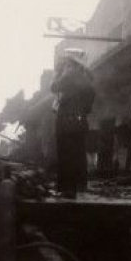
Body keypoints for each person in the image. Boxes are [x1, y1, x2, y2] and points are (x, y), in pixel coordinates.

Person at [51, 49, 95, 198]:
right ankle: (80, 186)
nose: (65, 65)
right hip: (80, 122)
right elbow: (89, 106)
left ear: (73, 64)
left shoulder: (68, 76)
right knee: (78, 154)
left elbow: (53, 87)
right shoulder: (87, 79)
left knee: (66, 154)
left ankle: (67, 190)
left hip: (66, 122)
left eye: (68, 63)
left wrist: (61, 73)